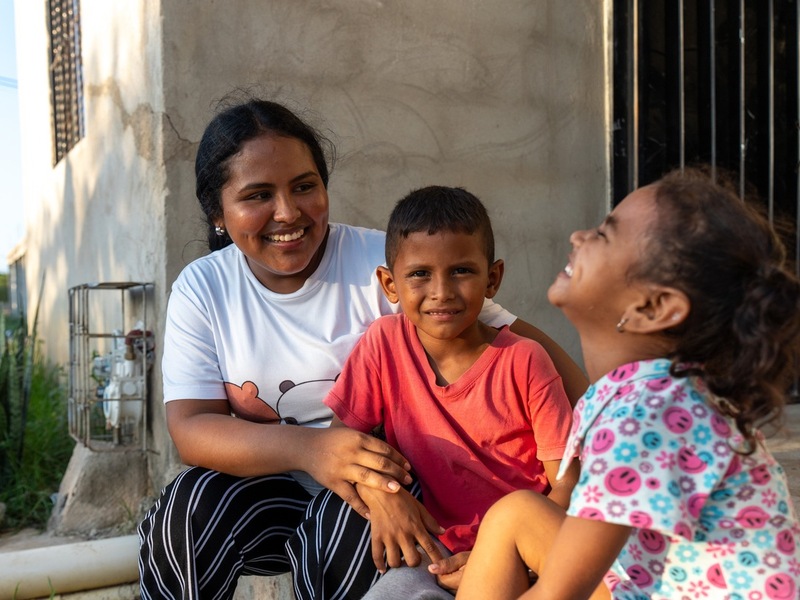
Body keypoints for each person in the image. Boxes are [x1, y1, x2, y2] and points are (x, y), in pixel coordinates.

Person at [137, 95, 588, 599]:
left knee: (350, 536)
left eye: (304, 187)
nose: (287, 212)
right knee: (181, 518)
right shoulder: (203, 288)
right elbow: (193, 428)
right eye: (258, 195)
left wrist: (618, 424)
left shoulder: (393, 265)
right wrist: (313, 450)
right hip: (268, 480)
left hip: (387, 480)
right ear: (217, 212)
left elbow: (519, 345)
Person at [455, 167, 800, 600]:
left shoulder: (648, 416)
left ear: (653, 307)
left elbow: (560, 593)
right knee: (516, 513)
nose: (578, 236)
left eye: (603, 234)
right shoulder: (650, 392)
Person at [289, 186, 579, 600]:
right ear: (390, 284)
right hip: (435, 554)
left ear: (492, 278)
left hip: (522, 554)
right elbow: (343, 446)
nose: (441, 291)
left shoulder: (525, 361)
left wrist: (502, 559)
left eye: (461, 270)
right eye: (420, 274)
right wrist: (384, 495)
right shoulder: (384, 344)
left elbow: (568, 485)